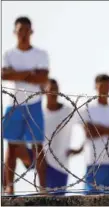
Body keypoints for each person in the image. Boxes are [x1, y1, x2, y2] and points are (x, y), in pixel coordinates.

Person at [2, 17, 49, 194]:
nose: (23, 34)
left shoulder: (40, 54)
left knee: (38, 146)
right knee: (12, 146)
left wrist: (17, 74)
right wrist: (30, 73)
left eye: (26, 30)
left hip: (35, 103)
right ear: (15, 32)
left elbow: (43, 78)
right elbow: (5, 75)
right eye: (20, 30)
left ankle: (42, 187)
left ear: (31, 31)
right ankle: (9, 187)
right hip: (14, 103)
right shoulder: (8, 54)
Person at [69, 74, 109, 194]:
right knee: (91, 198)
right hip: (93, 161)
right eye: (102, 87)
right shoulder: (88, 109)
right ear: (96, 87)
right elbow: (90, 133)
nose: (104, 90)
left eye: (107, 87)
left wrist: (98, 128)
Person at [41, 78, 79, 195]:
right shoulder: (40, 113)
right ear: (44, 91)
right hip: (42, 165)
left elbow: (86, 126)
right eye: (51, 89)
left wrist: (79, 149)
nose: (54, 92)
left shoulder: (68, 111)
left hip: (60, 165)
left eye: (56, 89)